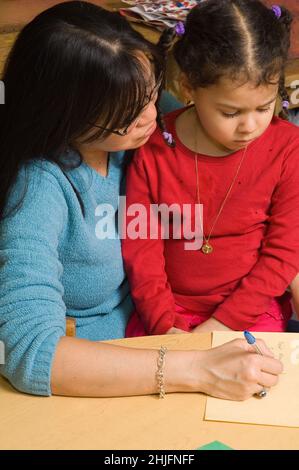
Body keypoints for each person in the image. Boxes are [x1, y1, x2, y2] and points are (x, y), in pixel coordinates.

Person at [0, 1, 282, 401]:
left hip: (164, 337)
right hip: (104, 371)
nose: (154, 117)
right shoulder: (40, 189)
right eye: (130, 113)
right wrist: (196, 367)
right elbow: (27, 350)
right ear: (67, 116)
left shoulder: (143, 131)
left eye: (153, 93)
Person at [123, 0, 299, 338]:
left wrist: (220, 327)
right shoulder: (154, 147)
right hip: (163, 313)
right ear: (189, 88)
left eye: (264, 107)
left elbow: (283, 253)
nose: (250, 126)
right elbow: (141, 248)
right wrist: (164, 325)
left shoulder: (288, 149)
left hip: (249, 312)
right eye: (230, 113)